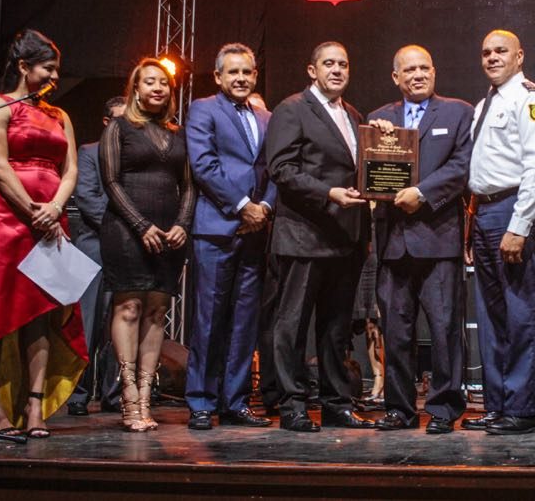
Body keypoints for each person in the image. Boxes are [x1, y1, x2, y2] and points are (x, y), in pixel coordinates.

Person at [0, 29, 87, 438]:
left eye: (57, 69)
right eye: (48, 68)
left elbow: (71, 169)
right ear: (24, 66)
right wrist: (32, 211)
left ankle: (34, 405)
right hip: (8, 219)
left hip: (51, 220)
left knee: (42, 313)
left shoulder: (59, 116)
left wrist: (55, 208)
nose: (54, 76)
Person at [264, 41, 373, 432]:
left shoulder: (354, 115)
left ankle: (336, 405)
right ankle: (292, 405)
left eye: (343, 64)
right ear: (312, 70)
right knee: (292, 325)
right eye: (329, 63)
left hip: (345, 238)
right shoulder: (292, 109)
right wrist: (328, 193)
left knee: (336, 328)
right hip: (304, 234)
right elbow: (281, 169)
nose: (337, 70)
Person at [367, 45, 473, 434]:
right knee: (396, 332)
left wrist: (423, 193)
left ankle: (443, 409)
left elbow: (463, 165)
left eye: (424, 68)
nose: (418, 75)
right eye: (409, 70)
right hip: (393, 242)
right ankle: (399, 408)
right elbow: (368, 172)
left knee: (445, 330)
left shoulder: (459, 112)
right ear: (396, 77)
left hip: (439, 239)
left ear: (434, 71)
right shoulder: (378, 119)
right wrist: (376, 142)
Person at [465, 29, 535, 435]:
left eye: (501, 51)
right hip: (485, 210)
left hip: (515, 209)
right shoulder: (484, 103)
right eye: (486, 52)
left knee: (521, 313)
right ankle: (498, 404)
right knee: (491, 316)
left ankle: (522, 410)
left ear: (519, 57)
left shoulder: (533, 100)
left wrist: (519, 227)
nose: (492, 57)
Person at [99, 58, 195, 432]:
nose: (158, 88)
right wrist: (141, 225)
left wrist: (182, 225)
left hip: (170, 233)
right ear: (136, 89)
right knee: (129, 307)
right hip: (127, 230)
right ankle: (128, 394)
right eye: (150, 82)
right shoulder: (119, 127)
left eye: (164, 83)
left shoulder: (177, 133)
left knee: (157, 312)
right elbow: (111, 181)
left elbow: (189, 186)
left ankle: (144, 395)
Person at [184, 44, 275, 430]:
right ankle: (202, 401)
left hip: (256, 229)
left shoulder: (267, 116)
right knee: (209, 319)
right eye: (233, 72)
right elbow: (203, 165)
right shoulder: (203, 109)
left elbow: (274, 168)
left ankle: (234, 401)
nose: (241, 78)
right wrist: (242, 206)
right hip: (217, 227)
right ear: (218, 76)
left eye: (247, 72)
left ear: (255, 75)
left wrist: (265, 207)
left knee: (244, 320)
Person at [66, 96, 126, 416]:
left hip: (126, 251)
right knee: (87, 324)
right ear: (106, 122)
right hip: (94, 247)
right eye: (118, 119)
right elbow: (87, 198)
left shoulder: (134, 154)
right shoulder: (90, 152)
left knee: (121, 324)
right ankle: (77, 394)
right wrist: (126, 227)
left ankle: (112, 393)